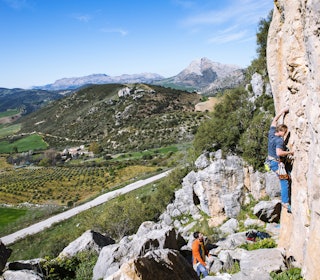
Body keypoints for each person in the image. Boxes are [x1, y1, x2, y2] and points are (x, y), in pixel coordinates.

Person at [267, 107, 294, 213]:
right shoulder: (279, 141)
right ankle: (285, 203)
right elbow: (279, 153)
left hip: (271, 162)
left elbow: (274, 120)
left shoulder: (272, 133)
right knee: (284, 181)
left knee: (285, 177)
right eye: (285, 132)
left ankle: (285, 201)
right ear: (281, 132)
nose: (285, 134)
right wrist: (290, 153)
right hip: (276, 163)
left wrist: (282, 112)